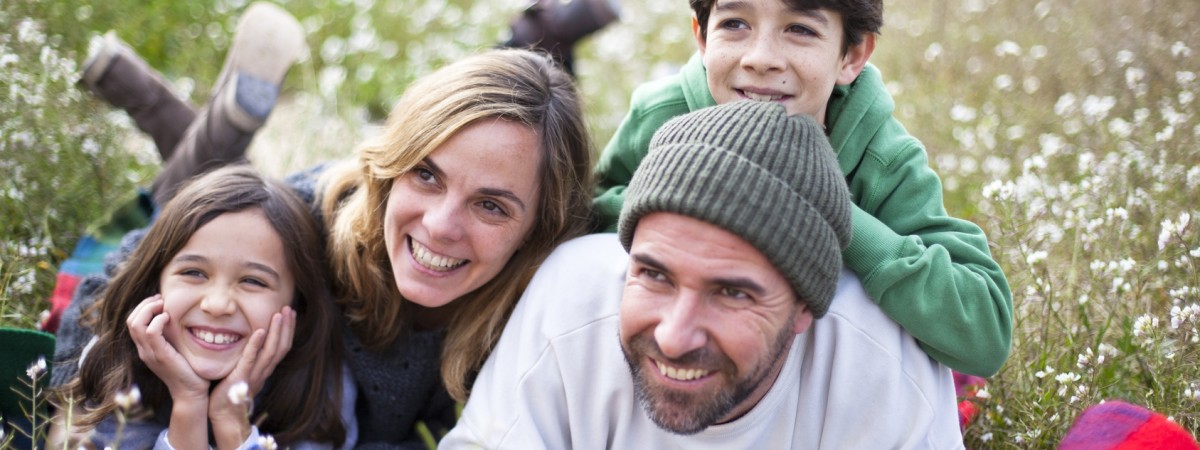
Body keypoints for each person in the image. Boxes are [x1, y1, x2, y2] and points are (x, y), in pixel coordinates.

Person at [443, 100, 963, 448]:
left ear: (806, 305)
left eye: (733, 292)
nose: (673, 335)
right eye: (654, 275)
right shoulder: (573, 297)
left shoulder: (881, 369)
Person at [590, 0, 1013, 377]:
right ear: (702, 37)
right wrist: (700, 195)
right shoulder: (661, 114)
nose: (761, 58)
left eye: (801, 29)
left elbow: (985, 336)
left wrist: (829, 214)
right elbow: (588, 222)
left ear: (852, 55)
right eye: (735, 23)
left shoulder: (882, 157)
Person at [49, 166, 353, 450]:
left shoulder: (322, 392)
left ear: (296, 304)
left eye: (253, 281)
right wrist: (189, 403)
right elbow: (62, 441)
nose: (217, 305)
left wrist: (232, 418)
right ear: (156, 283)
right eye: (194, 273)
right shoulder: (109, 358)